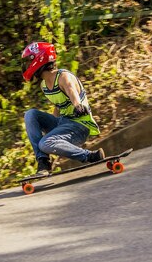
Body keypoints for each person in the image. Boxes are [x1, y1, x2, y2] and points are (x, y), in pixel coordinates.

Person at [21, 41, 105, 175]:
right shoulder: (44, 85)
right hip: (63, 123)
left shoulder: (63, 77)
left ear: (39, 59)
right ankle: (43, 162)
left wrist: (78, 105)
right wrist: (53, 132)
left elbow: (72, 91)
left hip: (79, 126)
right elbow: (58, 106)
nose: (27, 66)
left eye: (28, 61)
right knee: (30, 114)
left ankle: (90, 156)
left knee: (44, 143)